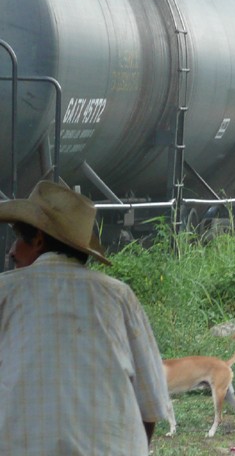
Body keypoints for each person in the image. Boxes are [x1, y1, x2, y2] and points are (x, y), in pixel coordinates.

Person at [0, 180, 171, 454]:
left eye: (19, 239)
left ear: (40, 239)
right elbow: (149, 406)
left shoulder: (5, 291)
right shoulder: (118, 296)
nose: (11, 251)